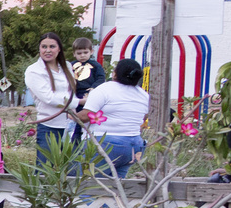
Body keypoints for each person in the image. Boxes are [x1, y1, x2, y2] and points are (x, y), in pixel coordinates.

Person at [76, 58, 148, 178]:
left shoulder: (105, 89)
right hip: (134, 146)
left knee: (88, 186)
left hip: (106, 144)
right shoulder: (144, 95)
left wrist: (71, 114)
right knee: (117, 187)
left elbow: (85, 116)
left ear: (115, 73)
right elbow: (143, 117)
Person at [24, 31, 78, 164]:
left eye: (52, 47)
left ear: (59, 48)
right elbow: (49, 98)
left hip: (70, 125)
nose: (48, 50)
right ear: (39, 49)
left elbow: (71, 91)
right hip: (49, 126)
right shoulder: (34, 70)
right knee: (44, 169)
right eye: (44, 47)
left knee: (73, 170)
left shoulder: (67, 66)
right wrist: (78, 102)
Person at [68, 37, 106, 144]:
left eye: (85, 52)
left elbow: (100, 77)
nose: (83, 55)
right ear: (74, 54)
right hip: (75, 95)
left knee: (87, 117)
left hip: (89, 94)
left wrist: (94, 88)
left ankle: (88, 138)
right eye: (79, 53)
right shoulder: (71, 65)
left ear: (91, 52)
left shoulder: (95, 65)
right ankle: (74, 139)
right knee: (74, 118)